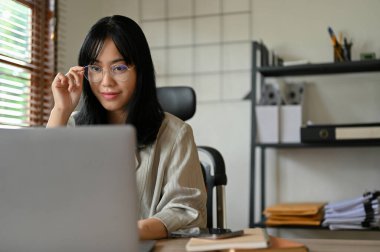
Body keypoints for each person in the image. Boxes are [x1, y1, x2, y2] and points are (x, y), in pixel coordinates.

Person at [47, 15, 207, 240]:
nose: (106, 81)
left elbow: (186, 210)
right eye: (95, 68)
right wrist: (60, 111)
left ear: (139, 70)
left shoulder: (176, 134)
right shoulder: (70, 126)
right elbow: (42, 195)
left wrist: (131, 231)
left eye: (119, 68)